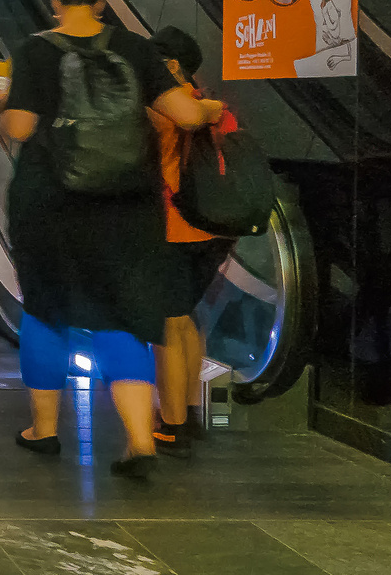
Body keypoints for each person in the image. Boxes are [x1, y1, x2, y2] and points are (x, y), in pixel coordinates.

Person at [0, 0, 218, 480]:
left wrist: (2, 103)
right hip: (126, 205)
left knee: (48, 308)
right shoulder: (138, 48)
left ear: (55, 2)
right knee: (123, 315)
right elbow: (186, 116)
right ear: (100, 3)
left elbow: (21, 127)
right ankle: (141, 440)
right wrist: (210, 111)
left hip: (50, 202)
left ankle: (44, 432)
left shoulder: (35, 51)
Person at [144, 26, 232, 458]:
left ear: (172, 65)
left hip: (174, 228)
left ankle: (172, 426)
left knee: (167, 325)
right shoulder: (215, 106)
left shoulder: (162, 110)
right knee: (187, 319)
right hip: (216, 229)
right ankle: (192, 412)